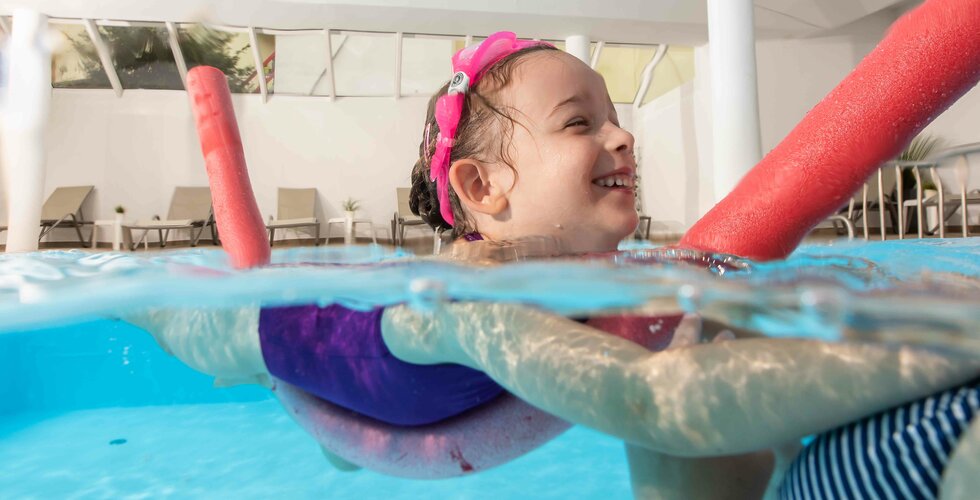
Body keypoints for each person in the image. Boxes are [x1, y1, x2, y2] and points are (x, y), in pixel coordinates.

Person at [130, 32, 979, 499]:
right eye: (581, 123)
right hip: (281, 336)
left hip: (392, 406)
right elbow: (653, 402)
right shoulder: (465, 303)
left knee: (346, 453)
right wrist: (948, 337)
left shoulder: (597, 280)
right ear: (483, 186)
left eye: (617, 115)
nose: (621, 135)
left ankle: (341, 451)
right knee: (181, 321)